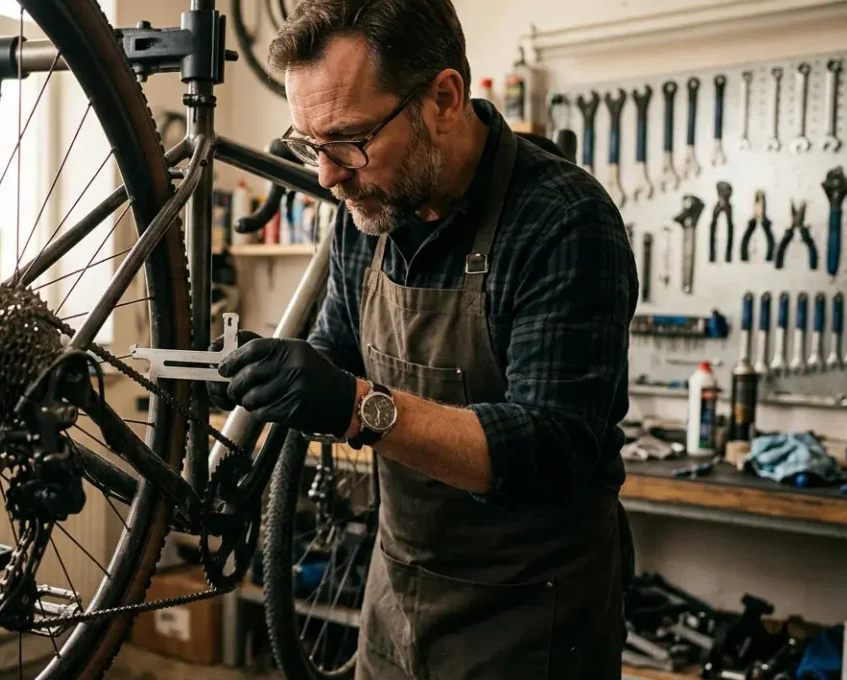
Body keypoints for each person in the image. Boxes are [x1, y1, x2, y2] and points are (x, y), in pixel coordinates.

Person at [208, 1, 639, 678]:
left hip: (531, 625)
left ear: (443, 99)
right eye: (310, 145)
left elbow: (551, 448)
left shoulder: (564, 220)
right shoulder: (368, 210)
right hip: (396, 602)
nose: (326, 176)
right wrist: (273, 374)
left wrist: (357, 408)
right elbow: (340, 350)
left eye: (348, 139)